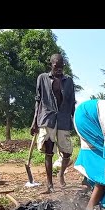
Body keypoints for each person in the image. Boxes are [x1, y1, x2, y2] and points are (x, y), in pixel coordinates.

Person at [30, 53, 76, 193]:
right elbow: (38, 100)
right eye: (57, 66)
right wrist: (34, 122)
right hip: (47, 117)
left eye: (62, 66)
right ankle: (50, 185)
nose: (59, 69)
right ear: (51, 65)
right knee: (48, 151)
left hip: (63, 118)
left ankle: (61, 174)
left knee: (66, 152)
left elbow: (72, 101)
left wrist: (75, 120)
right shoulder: (42, 78)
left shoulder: (69, 81)